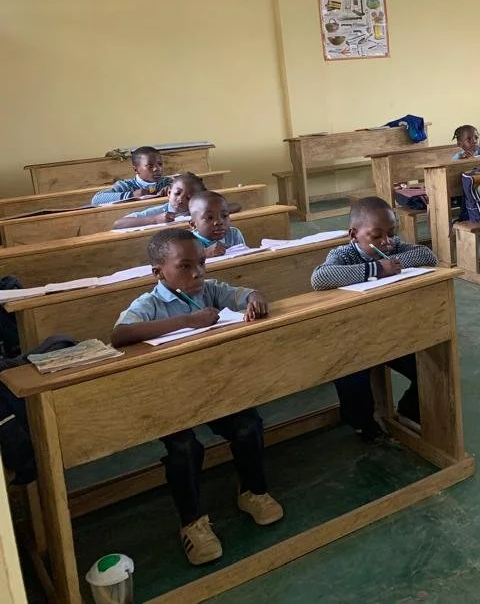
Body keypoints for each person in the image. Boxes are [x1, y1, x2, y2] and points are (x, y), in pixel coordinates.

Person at [112, 228, 280, 565]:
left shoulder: (210, 289)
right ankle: (192, 522)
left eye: (201, 264)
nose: (197, 273)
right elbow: (120, 334)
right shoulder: (150, 303)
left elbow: (243, 292)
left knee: (248, 424)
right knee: (184, 448)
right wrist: (187, 321)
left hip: (214, 388)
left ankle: (253, 492)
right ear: (158, 272)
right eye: (185, 266)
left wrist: (254, 298)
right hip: (169, 396)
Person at [310, 197, 435, 439]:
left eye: (391, 233)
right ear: (354, 235)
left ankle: (408, 409)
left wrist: (392, 263)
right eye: (376, 236)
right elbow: (320, 278)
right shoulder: (343, 254)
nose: (386, 242)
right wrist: (378, 269)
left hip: (390, 333)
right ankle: (363, 425)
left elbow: (426, 255)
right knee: (352, 380)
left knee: (429, 366)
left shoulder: (393, 246)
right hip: (350, 338)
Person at [112, 172, 205, 229]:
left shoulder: (201, 213)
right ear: (169, 193)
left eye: (188, 198)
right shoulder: (160, 212)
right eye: (177, 194)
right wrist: (154, 220)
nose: (180, 199)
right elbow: (118, 224)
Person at [91, 146, 171, 205]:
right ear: (136, 170)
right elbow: (96, 200)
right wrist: (131, 195)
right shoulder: (125, 185)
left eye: (160, 164)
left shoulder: (166, 182)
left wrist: (173, 189)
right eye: (150, 166)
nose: (157, 169)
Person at [188, 191, 246, 257]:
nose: (219, 222)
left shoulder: (234, 234)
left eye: (224, 216)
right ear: (193, 224)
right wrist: (205, 253)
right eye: (209, 217)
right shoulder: (190, 241)